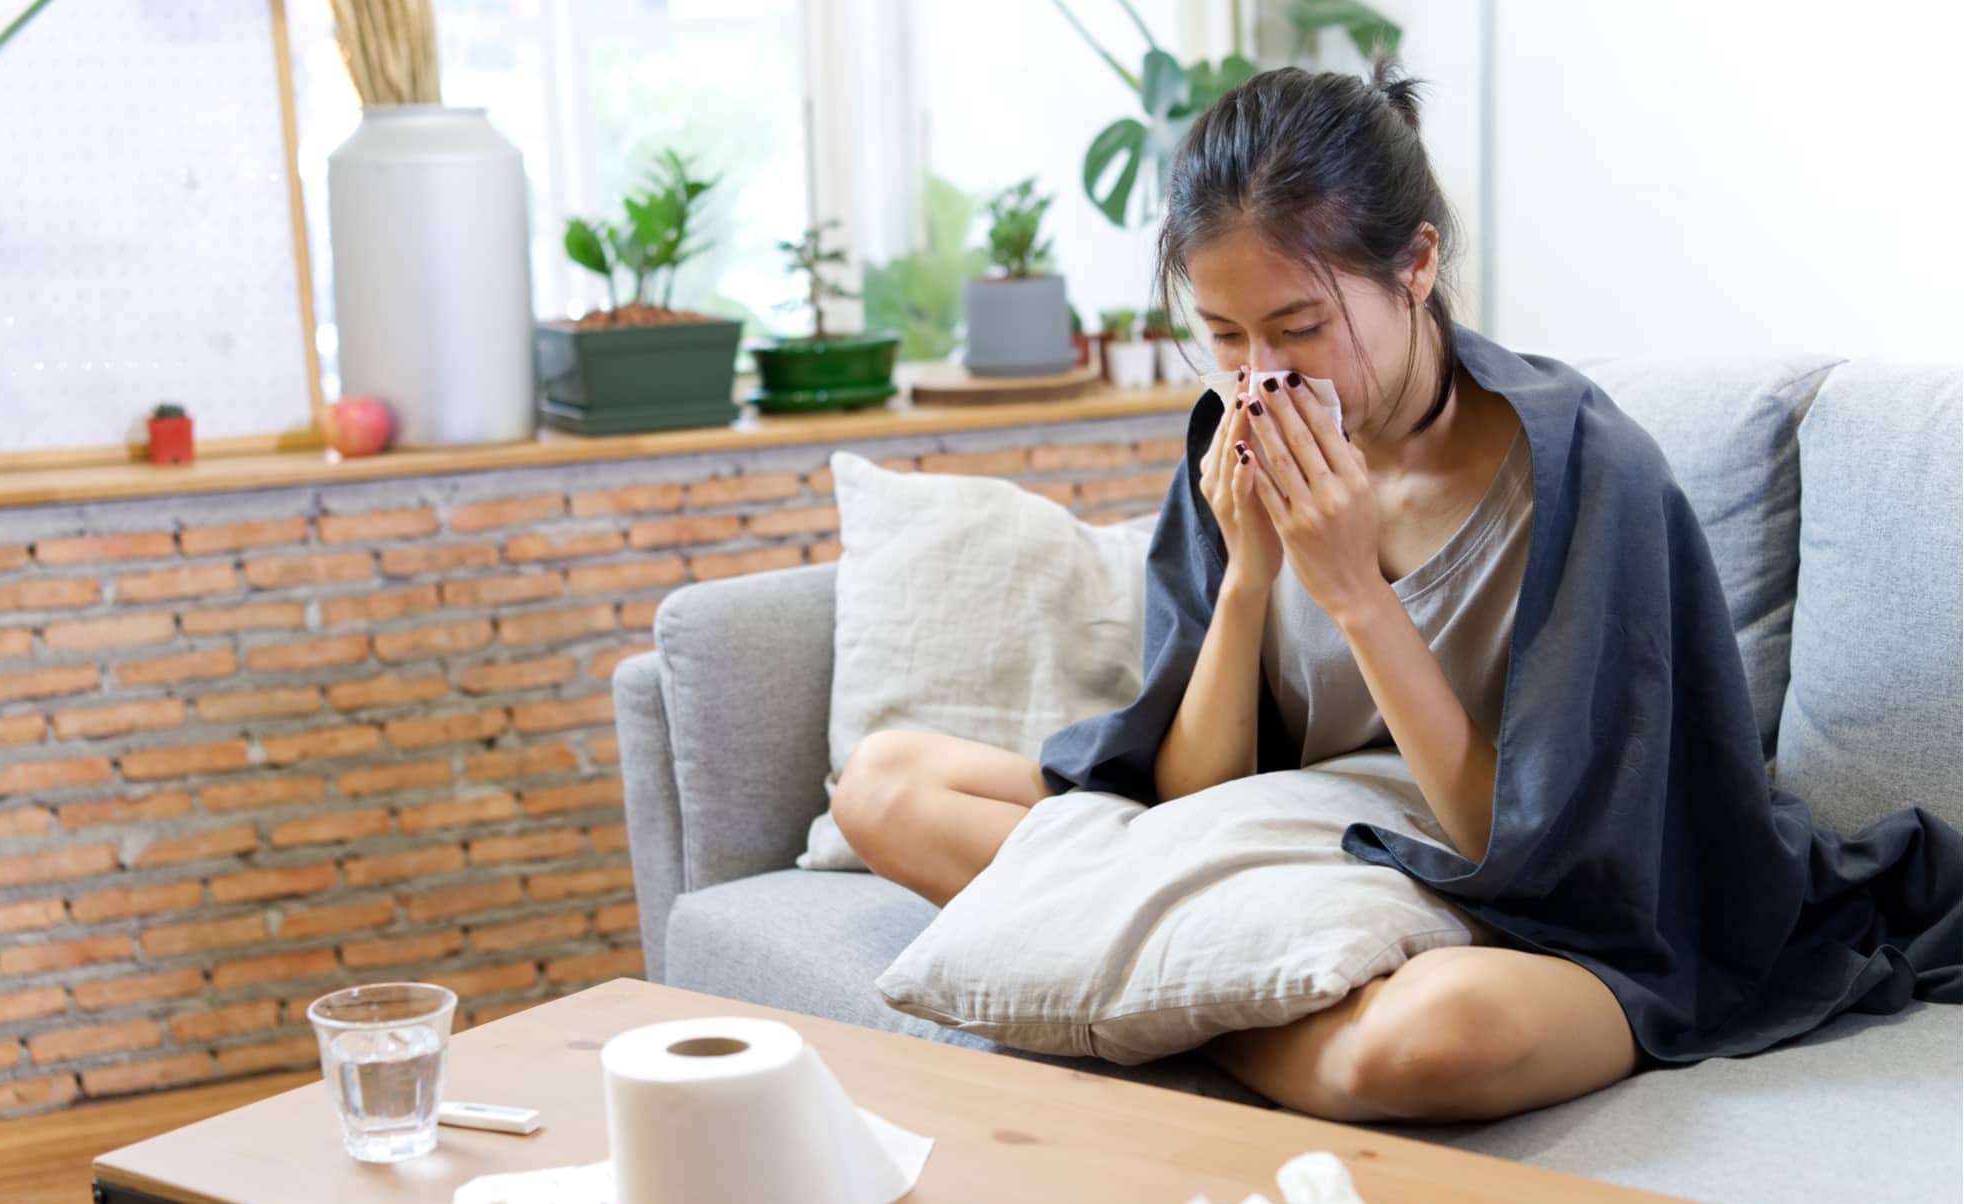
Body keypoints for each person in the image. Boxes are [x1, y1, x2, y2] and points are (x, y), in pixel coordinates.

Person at [830, 56, 1960, 1125]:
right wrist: (1249, 576)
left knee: (1425, 1041)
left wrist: (1357, 594)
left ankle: (1147, 991)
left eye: (1299, 326)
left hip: (1507, 888)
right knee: (881, 786)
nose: (1259, 372)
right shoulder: (1239, 435)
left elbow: (1528, 847)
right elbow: (1189, 793)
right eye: (1223, 335)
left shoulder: (1578, 472)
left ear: (1413, 266)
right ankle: (1206, 986)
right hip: (1284, 833)